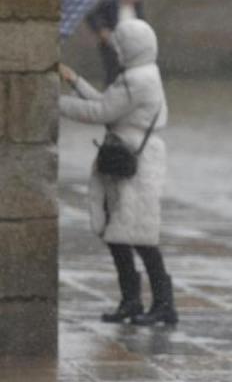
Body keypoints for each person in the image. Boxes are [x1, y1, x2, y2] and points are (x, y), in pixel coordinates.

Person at [58, 19, 177, 326]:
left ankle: (163, 304)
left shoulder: (137, 80)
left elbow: (101, 112)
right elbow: (107, 103)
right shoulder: (140, 75)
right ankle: (132, 300)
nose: (116, 51)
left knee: (140, 235)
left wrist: (55, 103)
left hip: (135, 162)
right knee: (119, 233)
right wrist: (75, 81)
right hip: (129, 156)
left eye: (120, 46)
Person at [87, 0, 144, 87]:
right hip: (112, 44)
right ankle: (111, 93)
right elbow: (92, 16)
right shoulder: (109, 4)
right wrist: (101, 30)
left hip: (132, 45)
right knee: (113, 73)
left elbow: (142, 21)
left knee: (132, 73)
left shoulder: (137, 5)